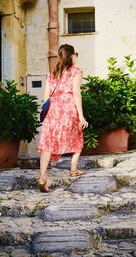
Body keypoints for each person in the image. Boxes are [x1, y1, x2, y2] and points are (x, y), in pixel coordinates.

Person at [37, 44, 88, 192]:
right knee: (77, 136)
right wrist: (81, 116)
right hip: (68, 109)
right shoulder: (76, 71)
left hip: (53, 110)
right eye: (75, 54)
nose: (76, 57)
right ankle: (73, 169)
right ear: (72, 55)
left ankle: (42, 176)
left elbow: (46, 97)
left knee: (47, 143)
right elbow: (76, 93)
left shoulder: (52, 72)